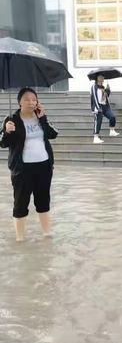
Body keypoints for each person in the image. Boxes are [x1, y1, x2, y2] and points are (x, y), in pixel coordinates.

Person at [0, 87, 58, 242]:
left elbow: (53, 134)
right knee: (21, 203)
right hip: (22, 169)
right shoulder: (11, 119)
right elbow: (2, 143)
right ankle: (20, 239)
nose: (31, 102)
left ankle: (47, 235)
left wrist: (43, 118)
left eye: (34, 99)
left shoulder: (40, 117)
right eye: (27, 99)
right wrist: (7, 131)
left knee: (43, 201)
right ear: (19, 102)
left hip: (44, 167)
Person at [90, 74, 119, 144]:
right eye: (100, 77)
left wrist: (108, 90)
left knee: (112, 117)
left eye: (103, 77)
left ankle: (112, 131)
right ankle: (96, 137)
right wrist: (97, 107)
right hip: (98, 106)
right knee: (98, 121)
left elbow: (105, 96)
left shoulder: (103, 87)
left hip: (105, 106)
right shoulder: (94, 87)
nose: (102, 78)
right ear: (97, 78)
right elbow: (94, 97)